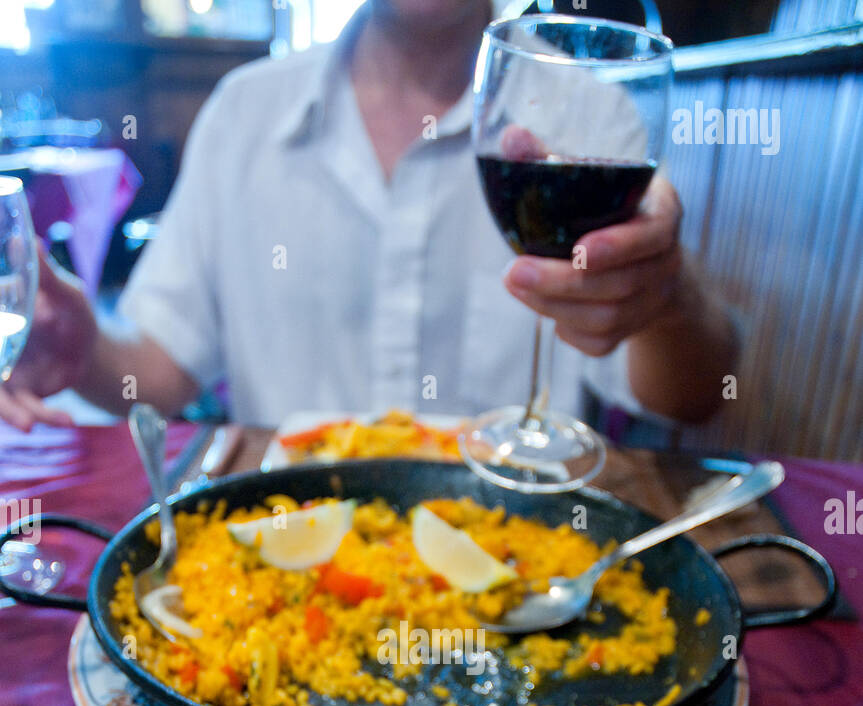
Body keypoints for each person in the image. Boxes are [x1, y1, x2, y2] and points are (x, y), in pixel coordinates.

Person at [0, 0, 737, 433]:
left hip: (515, 568)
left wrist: (665, 300)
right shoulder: (242, 114)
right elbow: (156, 373)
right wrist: (81, 345)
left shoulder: (591, 114)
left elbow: (691, 400)